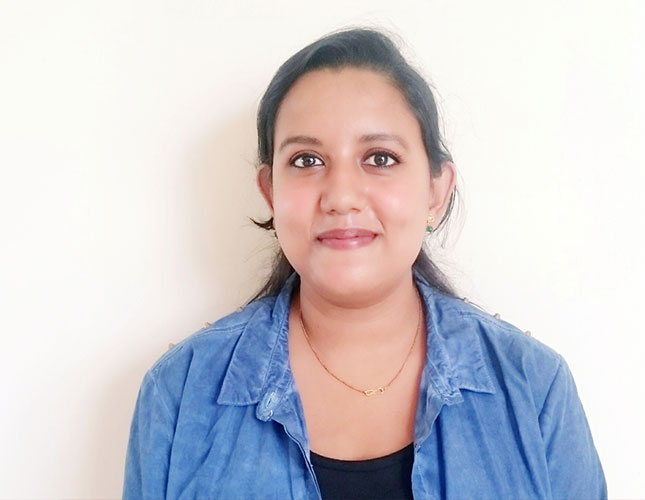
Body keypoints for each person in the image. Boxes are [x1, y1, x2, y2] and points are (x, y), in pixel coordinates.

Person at [123, 28, 606, 500]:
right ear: (271, 193)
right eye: (307, 160)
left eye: (379, 158)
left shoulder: (534, 389)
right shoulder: (179, 393)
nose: (341, 196)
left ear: (436, 191)